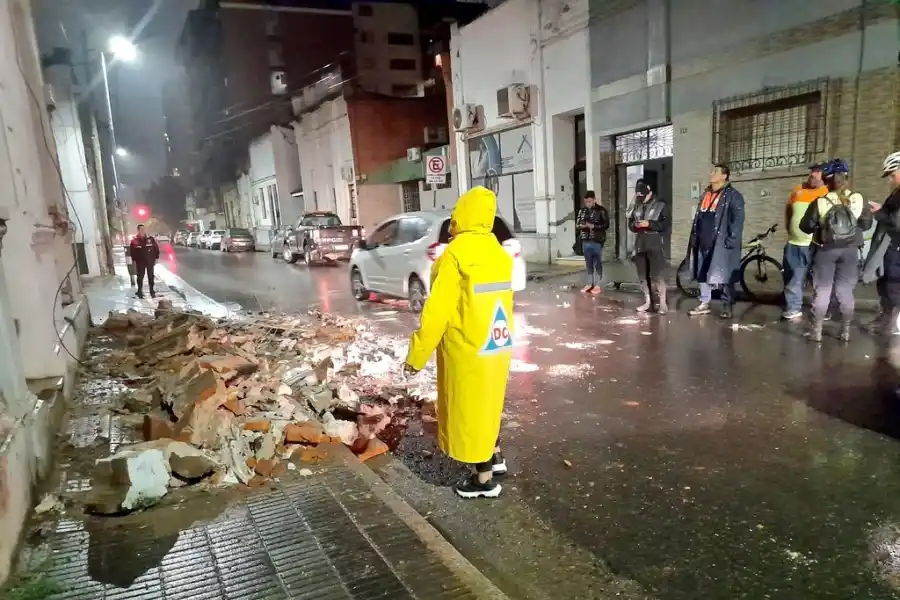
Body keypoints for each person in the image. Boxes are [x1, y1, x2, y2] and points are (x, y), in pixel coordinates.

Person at [404, 186, 513, 499]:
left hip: (466, 346)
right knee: (490, 401)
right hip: (497, 340)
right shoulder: (498, 252)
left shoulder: (455, 255)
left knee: (470, 408)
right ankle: (495, 454)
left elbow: (437, 311)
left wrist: (417, 353)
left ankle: (483, 480)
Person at [799, 158, 873, 342]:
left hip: (826, 250)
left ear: (826, 180)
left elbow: (805, 226)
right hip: (849, 250)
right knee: (845, 290)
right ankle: (845, 331)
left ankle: (816, 332)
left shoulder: (821, 202)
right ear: (846, 178)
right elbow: (866, 223)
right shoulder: (857, 198)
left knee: (822, 290)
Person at [686, 164, 745, 319]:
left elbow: (737, 220)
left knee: (725, 274)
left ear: (724, 176)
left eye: (715, 172)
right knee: (702, 272)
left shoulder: (733, 195)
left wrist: (731, 240)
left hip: (721, 242)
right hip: (702, 240)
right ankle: (704, 302)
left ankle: (727, 305)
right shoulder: (705, 194)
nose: (711, 173)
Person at [782, 164, 827, 320]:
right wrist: (788, 227)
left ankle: (798, 308)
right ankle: (793, 305)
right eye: (812, 172)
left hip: (811, 244)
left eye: (817, 172)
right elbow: (788, 210)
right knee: (789, 275)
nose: (812, 175)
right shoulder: (798, 189)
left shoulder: (825, 192)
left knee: (808, 277)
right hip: (793, 242)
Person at [862, 151, 900, 335]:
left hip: (897, 247)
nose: (891, 180)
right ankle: (885, 316)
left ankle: (893, 323)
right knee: (883, 282)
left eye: (893, 175)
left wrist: (879, 213)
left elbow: (897, 223)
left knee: (893, 285)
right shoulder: (897, 192)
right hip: (889, 246)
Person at [628, 178, 670, 314]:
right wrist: (635, 225)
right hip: (640, 243)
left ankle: (662, 303)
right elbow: (630, 223)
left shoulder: (661, 205)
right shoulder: (636, 205)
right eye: (638, 195)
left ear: (649, 191)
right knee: (642, 275)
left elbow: (665, 225)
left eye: (643, 195)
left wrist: (649, 224)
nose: (640, 198)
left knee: (657, 275)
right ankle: (647, 302)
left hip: (654, 243)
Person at [575, 191, 610, 294]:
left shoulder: (602, 211)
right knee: (588, 263)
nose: (588, 204)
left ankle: (598, 284)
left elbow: (606, 225)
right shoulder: (582, 211)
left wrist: (594, 227)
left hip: (597, 240)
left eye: (590, 201)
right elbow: (577, 224)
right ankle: (589, 283)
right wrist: (582, 226)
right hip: (585, 240)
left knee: (597, 263)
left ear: (594, 200)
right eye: (586, 202)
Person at [129, 224, 160, 299]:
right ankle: (139, 292)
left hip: (150, 261)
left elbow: (156, 248)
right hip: (140, 262)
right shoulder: (135, 240)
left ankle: (152, 292)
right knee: (140, 277)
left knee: (151, 277)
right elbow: (132, 251)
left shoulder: (150, 239)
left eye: (144, 229)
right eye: (141, 229)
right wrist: (134, 260)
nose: (143, 231)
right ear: (138, 230)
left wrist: (156, 258)